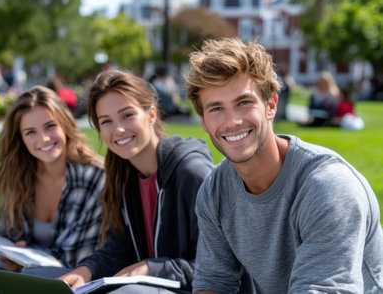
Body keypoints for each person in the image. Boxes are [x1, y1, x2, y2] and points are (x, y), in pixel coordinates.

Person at [185, 38, 383, 293]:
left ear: (271, 106)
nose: (232, 121)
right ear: (203, 121)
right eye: (216, 109)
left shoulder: (328, 187)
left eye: (244, 103)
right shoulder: (215, 192)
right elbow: (214, 282)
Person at [29, 69, 213, 293]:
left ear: (151, 114)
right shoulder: (123, 176)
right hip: (143, 287)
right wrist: (87, 269)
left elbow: (216, 268)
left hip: (187, 289)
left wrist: (151, 269)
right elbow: (119, 251)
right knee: (35, 277)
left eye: (127, 115)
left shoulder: (191, 172)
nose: (118, 129)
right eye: (106, 121)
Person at [0, 86, 105, 294]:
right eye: (30, 132)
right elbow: (4, 235)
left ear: (65, 124)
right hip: (20, 264)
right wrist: (11, 253)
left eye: (50, 126)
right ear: (21, 138)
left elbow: (72, 257)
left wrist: (23, 260)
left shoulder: (95, 177)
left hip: (64, 276)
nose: (43, 139)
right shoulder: (17, 174)